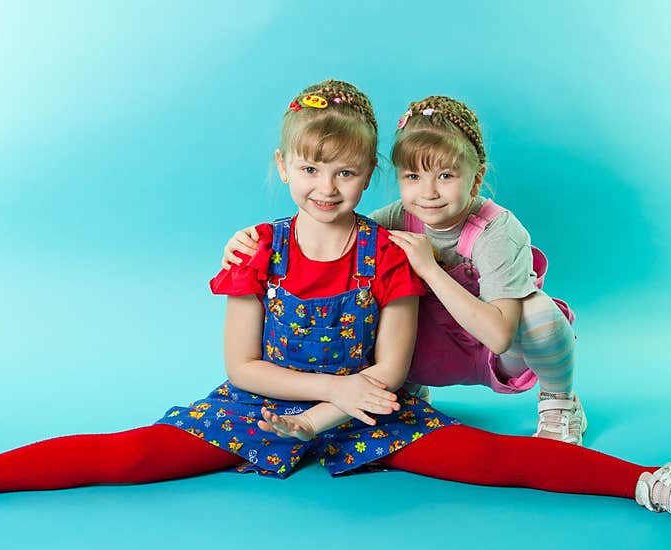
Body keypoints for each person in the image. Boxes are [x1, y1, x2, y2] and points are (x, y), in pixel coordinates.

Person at [0, 79, 671, 527]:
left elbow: (391, 370)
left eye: (348, 176)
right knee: (135, 454)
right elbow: (241, 364)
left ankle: (649, 482)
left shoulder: (389, 247)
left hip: (370, 406)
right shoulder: (259, 246)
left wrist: (345, 404)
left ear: (369, 181)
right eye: (309, 171)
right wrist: (326, 393)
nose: (327, 190)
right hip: (269, 402)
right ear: (283, 166)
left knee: (488, 461)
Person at [222, 94, 587, 444]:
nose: (427, 192)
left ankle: (559, 401)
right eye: (413, 176)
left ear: (476, 178)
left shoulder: (497, 231)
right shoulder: (395, 220)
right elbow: (336, 230)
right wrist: (249, 241)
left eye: (445, 176)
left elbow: (499, 337)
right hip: (429, 353)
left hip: (492, 352)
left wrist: (430, 269)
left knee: (539, 311)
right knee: (373, 298)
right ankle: (411, 389)